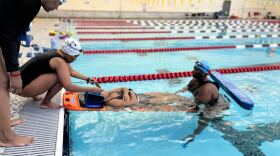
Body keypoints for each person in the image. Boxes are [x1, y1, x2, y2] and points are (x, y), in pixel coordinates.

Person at [0, 0, 64, 147]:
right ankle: (5, 137)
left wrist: (12, 65)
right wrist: (14, 72)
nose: (58, 6)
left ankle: (3, 123)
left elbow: (12, 32)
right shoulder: (29, 3)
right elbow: (8, 35)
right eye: (59, 1)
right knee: (3, 83)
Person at [19, 38, 107, 109]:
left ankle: (34, 96)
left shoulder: (60, 53)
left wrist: (87, 79)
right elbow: (69, 87)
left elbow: (71, 71)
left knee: (62, 74)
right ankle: (46, 103)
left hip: (21, 83)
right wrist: (93, 90)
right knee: (60, 78)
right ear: (69, 54)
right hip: (23, 88)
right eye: (75, 56)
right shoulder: (59, 61)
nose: (76, 59)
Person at [79, 87, 194, 111]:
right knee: (168, 101)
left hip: (142, 95)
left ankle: (190, 102)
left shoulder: (108, 93)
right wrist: (131, 92)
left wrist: (127, 91)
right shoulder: (111, 101)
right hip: (143, 101)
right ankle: (192, 106)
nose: (101, 92)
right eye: (99, 94)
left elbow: (124, 87)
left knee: (170, 95)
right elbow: (132, 102)